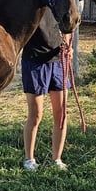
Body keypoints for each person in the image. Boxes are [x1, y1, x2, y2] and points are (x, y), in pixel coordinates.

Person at [21, 11, 73, 171]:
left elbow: (67, 28)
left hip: (59, 62)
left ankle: (56, 159)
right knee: (36, 115)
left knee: (61, 114)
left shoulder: (61, 4)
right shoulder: (32, 3)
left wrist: (69, 46)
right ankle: (29, 159)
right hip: (35, 62)